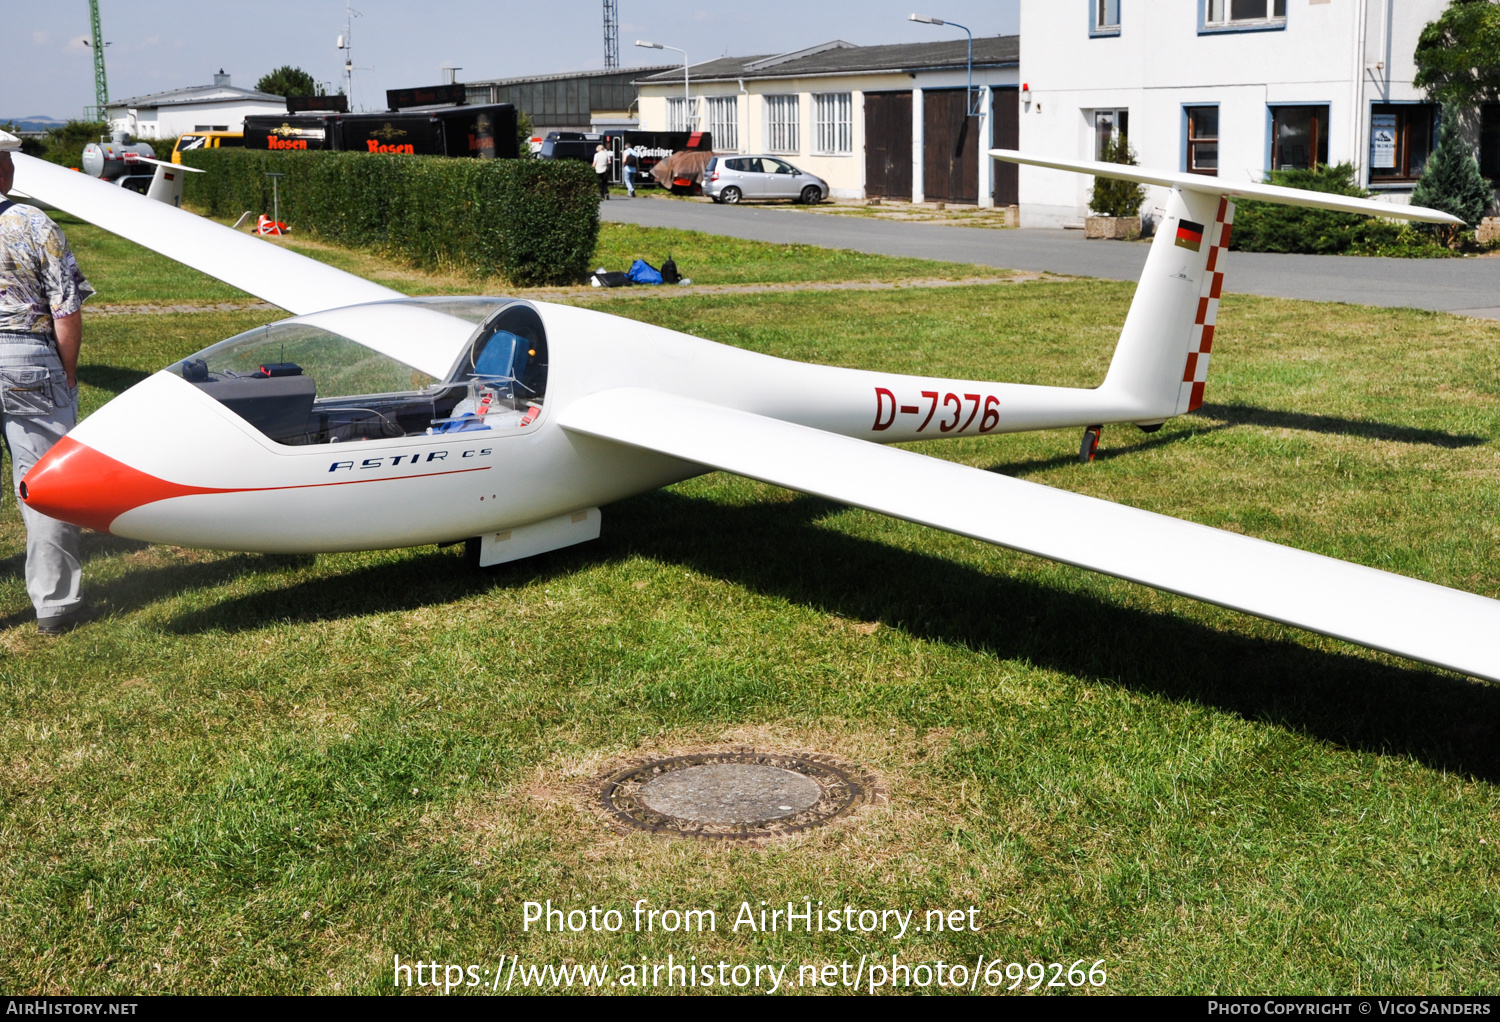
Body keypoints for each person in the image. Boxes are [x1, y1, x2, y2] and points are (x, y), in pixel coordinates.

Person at [0, 131, 92, 634]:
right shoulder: (33, 222)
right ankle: (55, 605)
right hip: (26, 356)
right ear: (2, 171)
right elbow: (66, 307)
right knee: (43, 481)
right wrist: (69, 372)